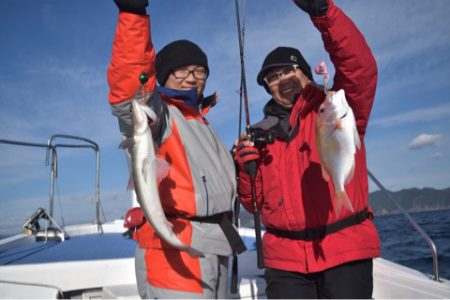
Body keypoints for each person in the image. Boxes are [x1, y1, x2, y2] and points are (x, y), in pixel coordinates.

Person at [234, 0, 381, 298]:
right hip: (285, 263)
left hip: (345, 251)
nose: (281, 80)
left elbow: (360, 69)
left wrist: (323, 13)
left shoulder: (337, 106)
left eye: (288, 70)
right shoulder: (258, 135)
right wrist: (245, 170)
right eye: (272, 78)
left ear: (304, 72)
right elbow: (254, 204)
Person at [107, 0, 245, 298]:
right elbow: (131, 87)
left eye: (199, 71)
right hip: (175, 256)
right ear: (164, 75)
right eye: (182, 70)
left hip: (217, 248)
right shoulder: (161, 116)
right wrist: (134, 15)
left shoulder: (202, 123)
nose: (192, 77)